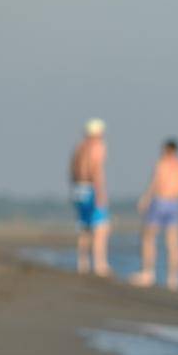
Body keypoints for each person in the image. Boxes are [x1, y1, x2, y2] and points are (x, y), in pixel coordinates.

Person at [133, 140, 178, 290]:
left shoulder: (162, 164)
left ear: (166, 150)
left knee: (148, 237)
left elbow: (155, 183)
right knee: (173, 242)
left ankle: (148, 273)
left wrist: (145, 198)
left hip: (160, 201)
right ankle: (173, 279)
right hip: (175, 203)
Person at [69, 118, 111, 276]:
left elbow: (72, 171)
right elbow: (96, 170)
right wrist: (100, 193)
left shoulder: (79, 148)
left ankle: (82, 263)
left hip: (78, 188)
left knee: (84, 227)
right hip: (92, 188)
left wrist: (76, 189)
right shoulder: (98, 147)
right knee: (101, 228)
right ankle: (100, 264)